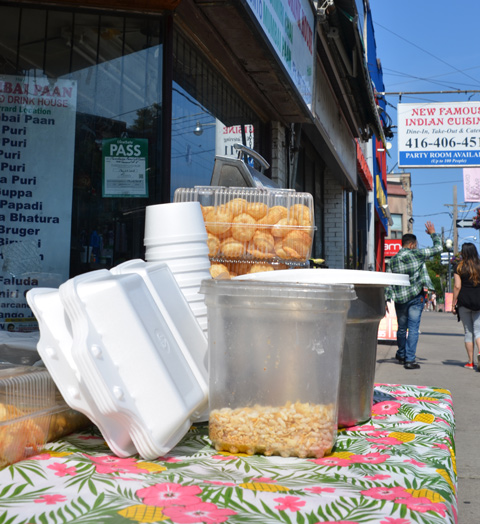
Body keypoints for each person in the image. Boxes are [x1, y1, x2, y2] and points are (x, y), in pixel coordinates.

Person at [385, 221, 442, 369]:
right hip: (416, 297)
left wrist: (386, 299)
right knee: (413, 329)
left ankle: (402, 354)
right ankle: (410, 360)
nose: (416, 247)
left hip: (400, 298)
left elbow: (388, 281)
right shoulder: (416, 254)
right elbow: (438, 248)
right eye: (415, 244)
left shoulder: (393, 260)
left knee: (402, 328)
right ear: (411, 245)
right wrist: (433, 233)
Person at [452, 242, 480, 369]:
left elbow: (457, 286)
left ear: (464, 253)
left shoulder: (459, 267)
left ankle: (470, 362)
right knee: (478, 332)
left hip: (464, 302)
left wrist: (453, 303)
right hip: (479, 302)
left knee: (469, 332)